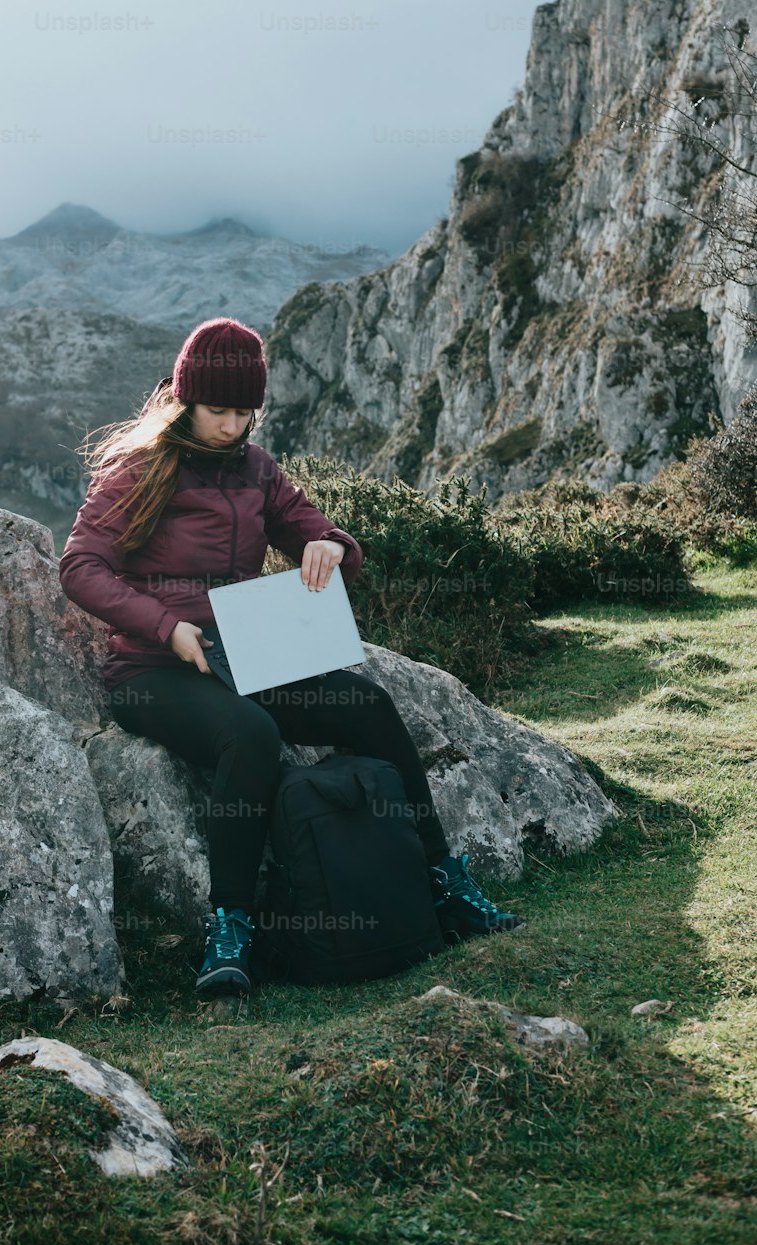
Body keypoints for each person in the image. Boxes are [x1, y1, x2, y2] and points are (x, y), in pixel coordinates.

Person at [58, 316, 522, 998]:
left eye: (247, 413)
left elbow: (320, 535)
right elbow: (80, 566)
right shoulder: (140, 468)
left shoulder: (258, 470)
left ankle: (442, 882)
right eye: (219, 412)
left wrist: (333, 545)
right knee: (251, 735)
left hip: (245, 654)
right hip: (152, 668)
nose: (233, 427)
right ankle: (230, 929)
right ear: (185, 401)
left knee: (366, 706)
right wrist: (165, 627)